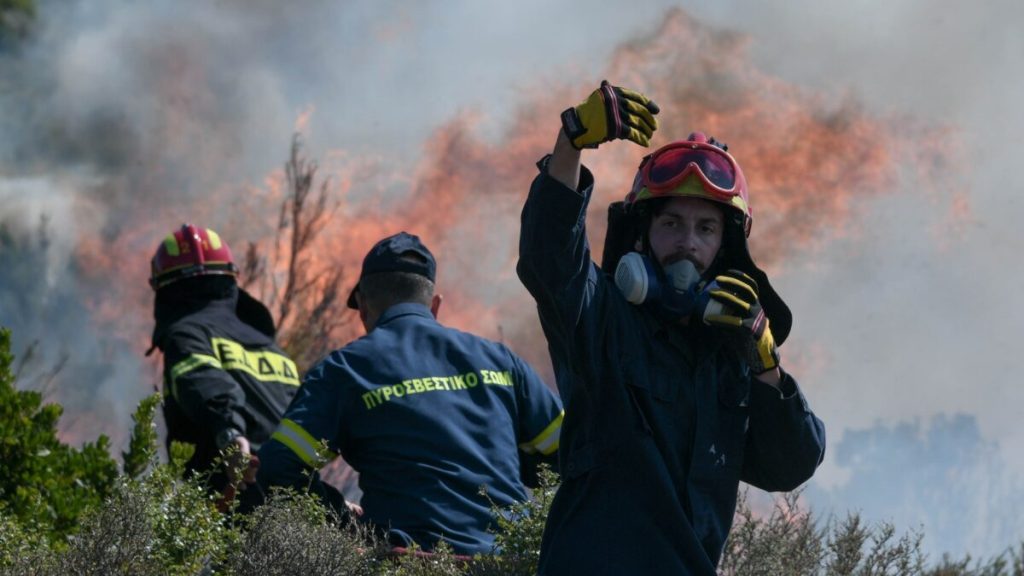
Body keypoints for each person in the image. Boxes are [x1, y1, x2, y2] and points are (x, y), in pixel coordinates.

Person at [516, 81, 827, 574]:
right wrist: (571, 140)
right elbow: (548, 259)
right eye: (671, 224)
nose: (687, 243)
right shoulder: (601, 319)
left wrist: (766, 367)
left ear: (726, 248)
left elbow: (790, 465)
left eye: (706, 229)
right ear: (643, 233)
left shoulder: (732, 359)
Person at [255, 231, 564, 556]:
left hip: (410, 562)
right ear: (434, 305)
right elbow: (572, 452)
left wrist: (349, 523)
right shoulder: (501, 361)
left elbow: (278, 467)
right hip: (510, 564)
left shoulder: (344, 370)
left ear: (361, 306)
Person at [148, 224, 300, 496]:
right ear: (230, 280)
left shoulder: (185, 336)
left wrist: (231, 437)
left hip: (234, 502)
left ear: (164, 292)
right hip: (297, 504)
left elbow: (208, 385)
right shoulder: (273, 349)